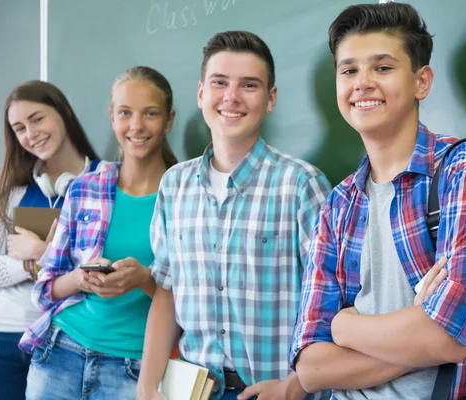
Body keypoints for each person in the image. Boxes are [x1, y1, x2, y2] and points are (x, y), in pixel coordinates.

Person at [289, 3, 466, 399]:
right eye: (349, 71)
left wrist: (346, 328)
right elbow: (311, 367)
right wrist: (419, 331)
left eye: (382, 68)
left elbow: (451, 336)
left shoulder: (464, 171)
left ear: (421, 81)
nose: (362, 83)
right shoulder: (338, 206)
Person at [137, 31, 332, 400]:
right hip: (190, 391)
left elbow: (332, 302)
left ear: (270, 99)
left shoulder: (301, 185)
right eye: (220, 83)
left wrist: (296, 386)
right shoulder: (174, 185)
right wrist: (147, 388)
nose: (231, 97)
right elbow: (167, 290)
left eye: (249, 85)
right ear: (200, 93)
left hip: (277, 392)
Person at [20, 66, 178, 400]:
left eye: (150, 113)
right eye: (125, 113)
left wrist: (144, 280)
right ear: (112, 116)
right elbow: (44, 288)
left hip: (135, 370)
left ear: (169, 120)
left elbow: (195, 304)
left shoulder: (187, 198)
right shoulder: (84, 189)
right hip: (60, 354)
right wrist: (81, 278)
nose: (136, 126)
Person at [0, 80, 100, 400]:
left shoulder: (104, 182)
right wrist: (32, 265)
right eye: (19, 127)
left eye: (38, 118)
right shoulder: (8, 187)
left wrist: (44, 252)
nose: (30, 133)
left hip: (68, 343)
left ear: (65, 112)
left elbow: (102, 265)